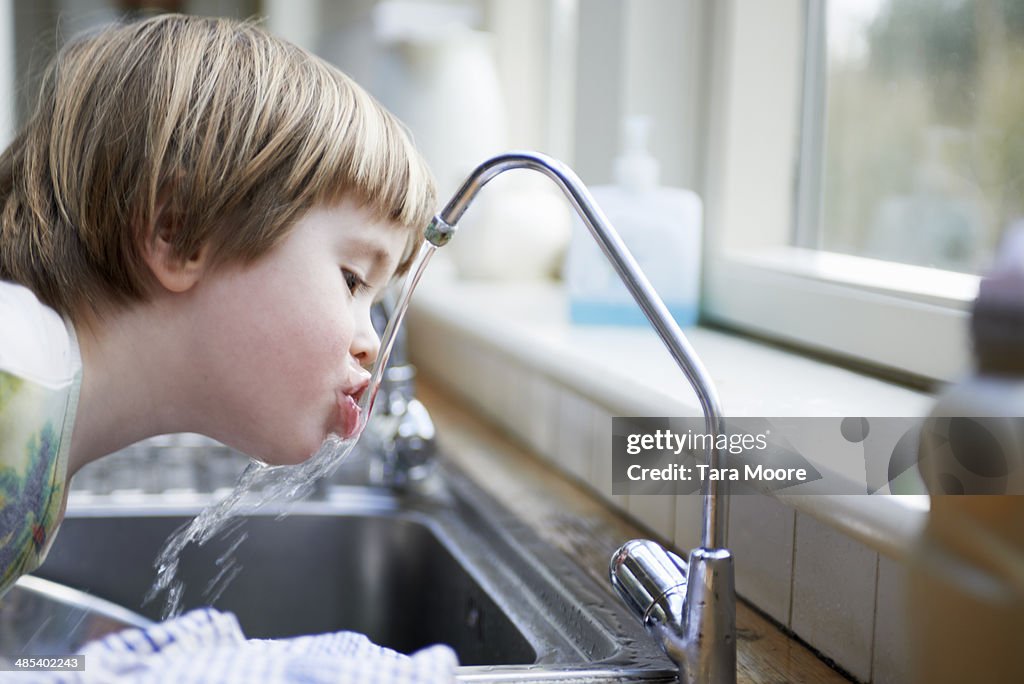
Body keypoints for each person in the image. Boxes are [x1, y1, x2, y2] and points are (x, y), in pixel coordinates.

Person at [0, 13, 436, 605]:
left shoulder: (40, 427)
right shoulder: (15, 371)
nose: (370, 345)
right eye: (353, 280)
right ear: (179, 234)